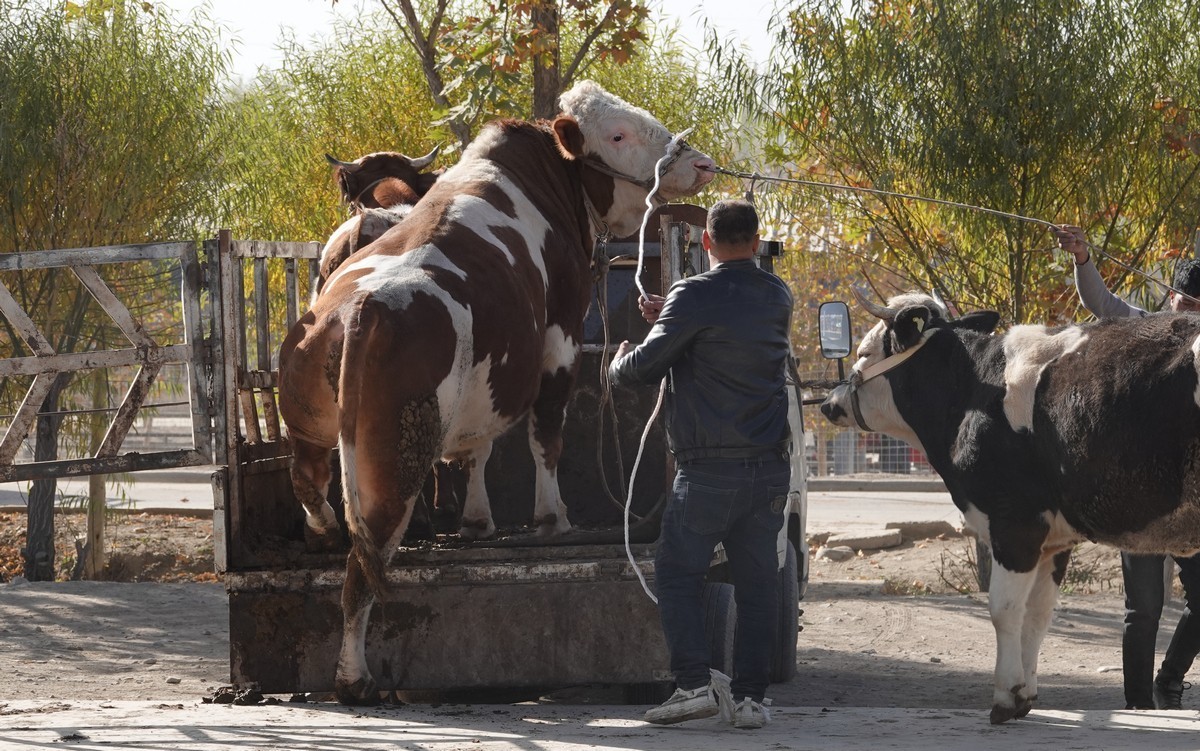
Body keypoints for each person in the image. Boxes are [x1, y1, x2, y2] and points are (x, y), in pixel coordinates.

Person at [609, 199, 794, 730]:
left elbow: (644, 369)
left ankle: (692, 685)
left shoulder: (692, 296)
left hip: (708, 471)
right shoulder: (777, 295)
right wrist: (672, 314)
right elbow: (726, 329)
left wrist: (618, 361)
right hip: (768, 469)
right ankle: (751, 701)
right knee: (759, 587)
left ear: (706, 242)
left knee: (676, 575)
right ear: (755, 242)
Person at [1053, 224, 1200, 710]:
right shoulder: (1143, 330)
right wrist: (1082, 258)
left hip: (1194, 500)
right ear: (1172, 298)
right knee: (1144, 611)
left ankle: (1169, 682)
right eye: (1186, 302)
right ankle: (1138, 705)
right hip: (1138, 498)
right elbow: (1103, 303)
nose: (1191, 313)